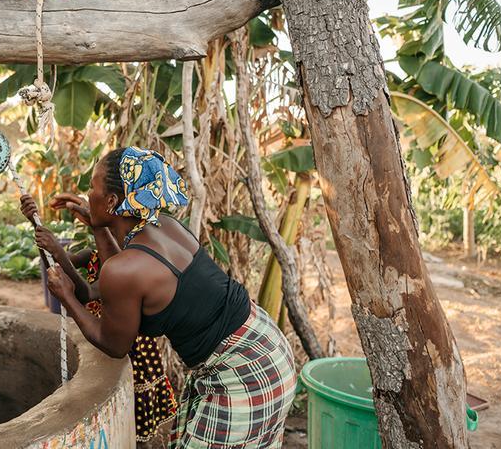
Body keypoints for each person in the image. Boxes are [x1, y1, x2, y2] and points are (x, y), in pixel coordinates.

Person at [41, 147, 297, 448]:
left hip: (245, 374)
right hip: (265, 341)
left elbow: (114, 344)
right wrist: (100, 225)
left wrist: (67, 296)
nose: (87, 195)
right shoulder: (166, 226)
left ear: (111, 201)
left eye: (92, 188)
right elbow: (119, 273)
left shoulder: (126, 270)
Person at [20, 195, 179, 444]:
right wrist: (37, 227)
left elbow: (88, 292)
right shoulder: (92, 255)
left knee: (139, 412)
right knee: (126, 412)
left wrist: (57, 249)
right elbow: (58, 265)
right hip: (110, 337)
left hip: (135, 348)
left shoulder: (129, 261)